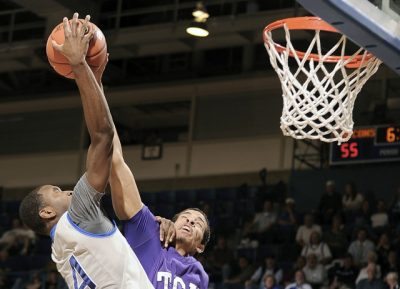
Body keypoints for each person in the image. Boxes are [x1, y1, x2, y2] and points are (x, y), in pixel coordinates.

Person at [18, 13, 170, 289]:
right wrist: (78, 66)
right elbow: (103, 137)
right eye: (55, 191)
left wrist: (95, 83)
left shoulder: (59, 252)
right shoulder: (78, 214)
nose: (66, 190)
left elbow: (107, 143)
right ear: (47, 212)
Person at [109, 115, 210, 288]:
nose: (191, 220)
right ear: (172, 222)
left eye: (199, 223)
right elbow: (116, 162)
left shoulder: (200, 275)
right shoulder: (149, 236)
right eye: (185, 217)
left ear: (200, 247)